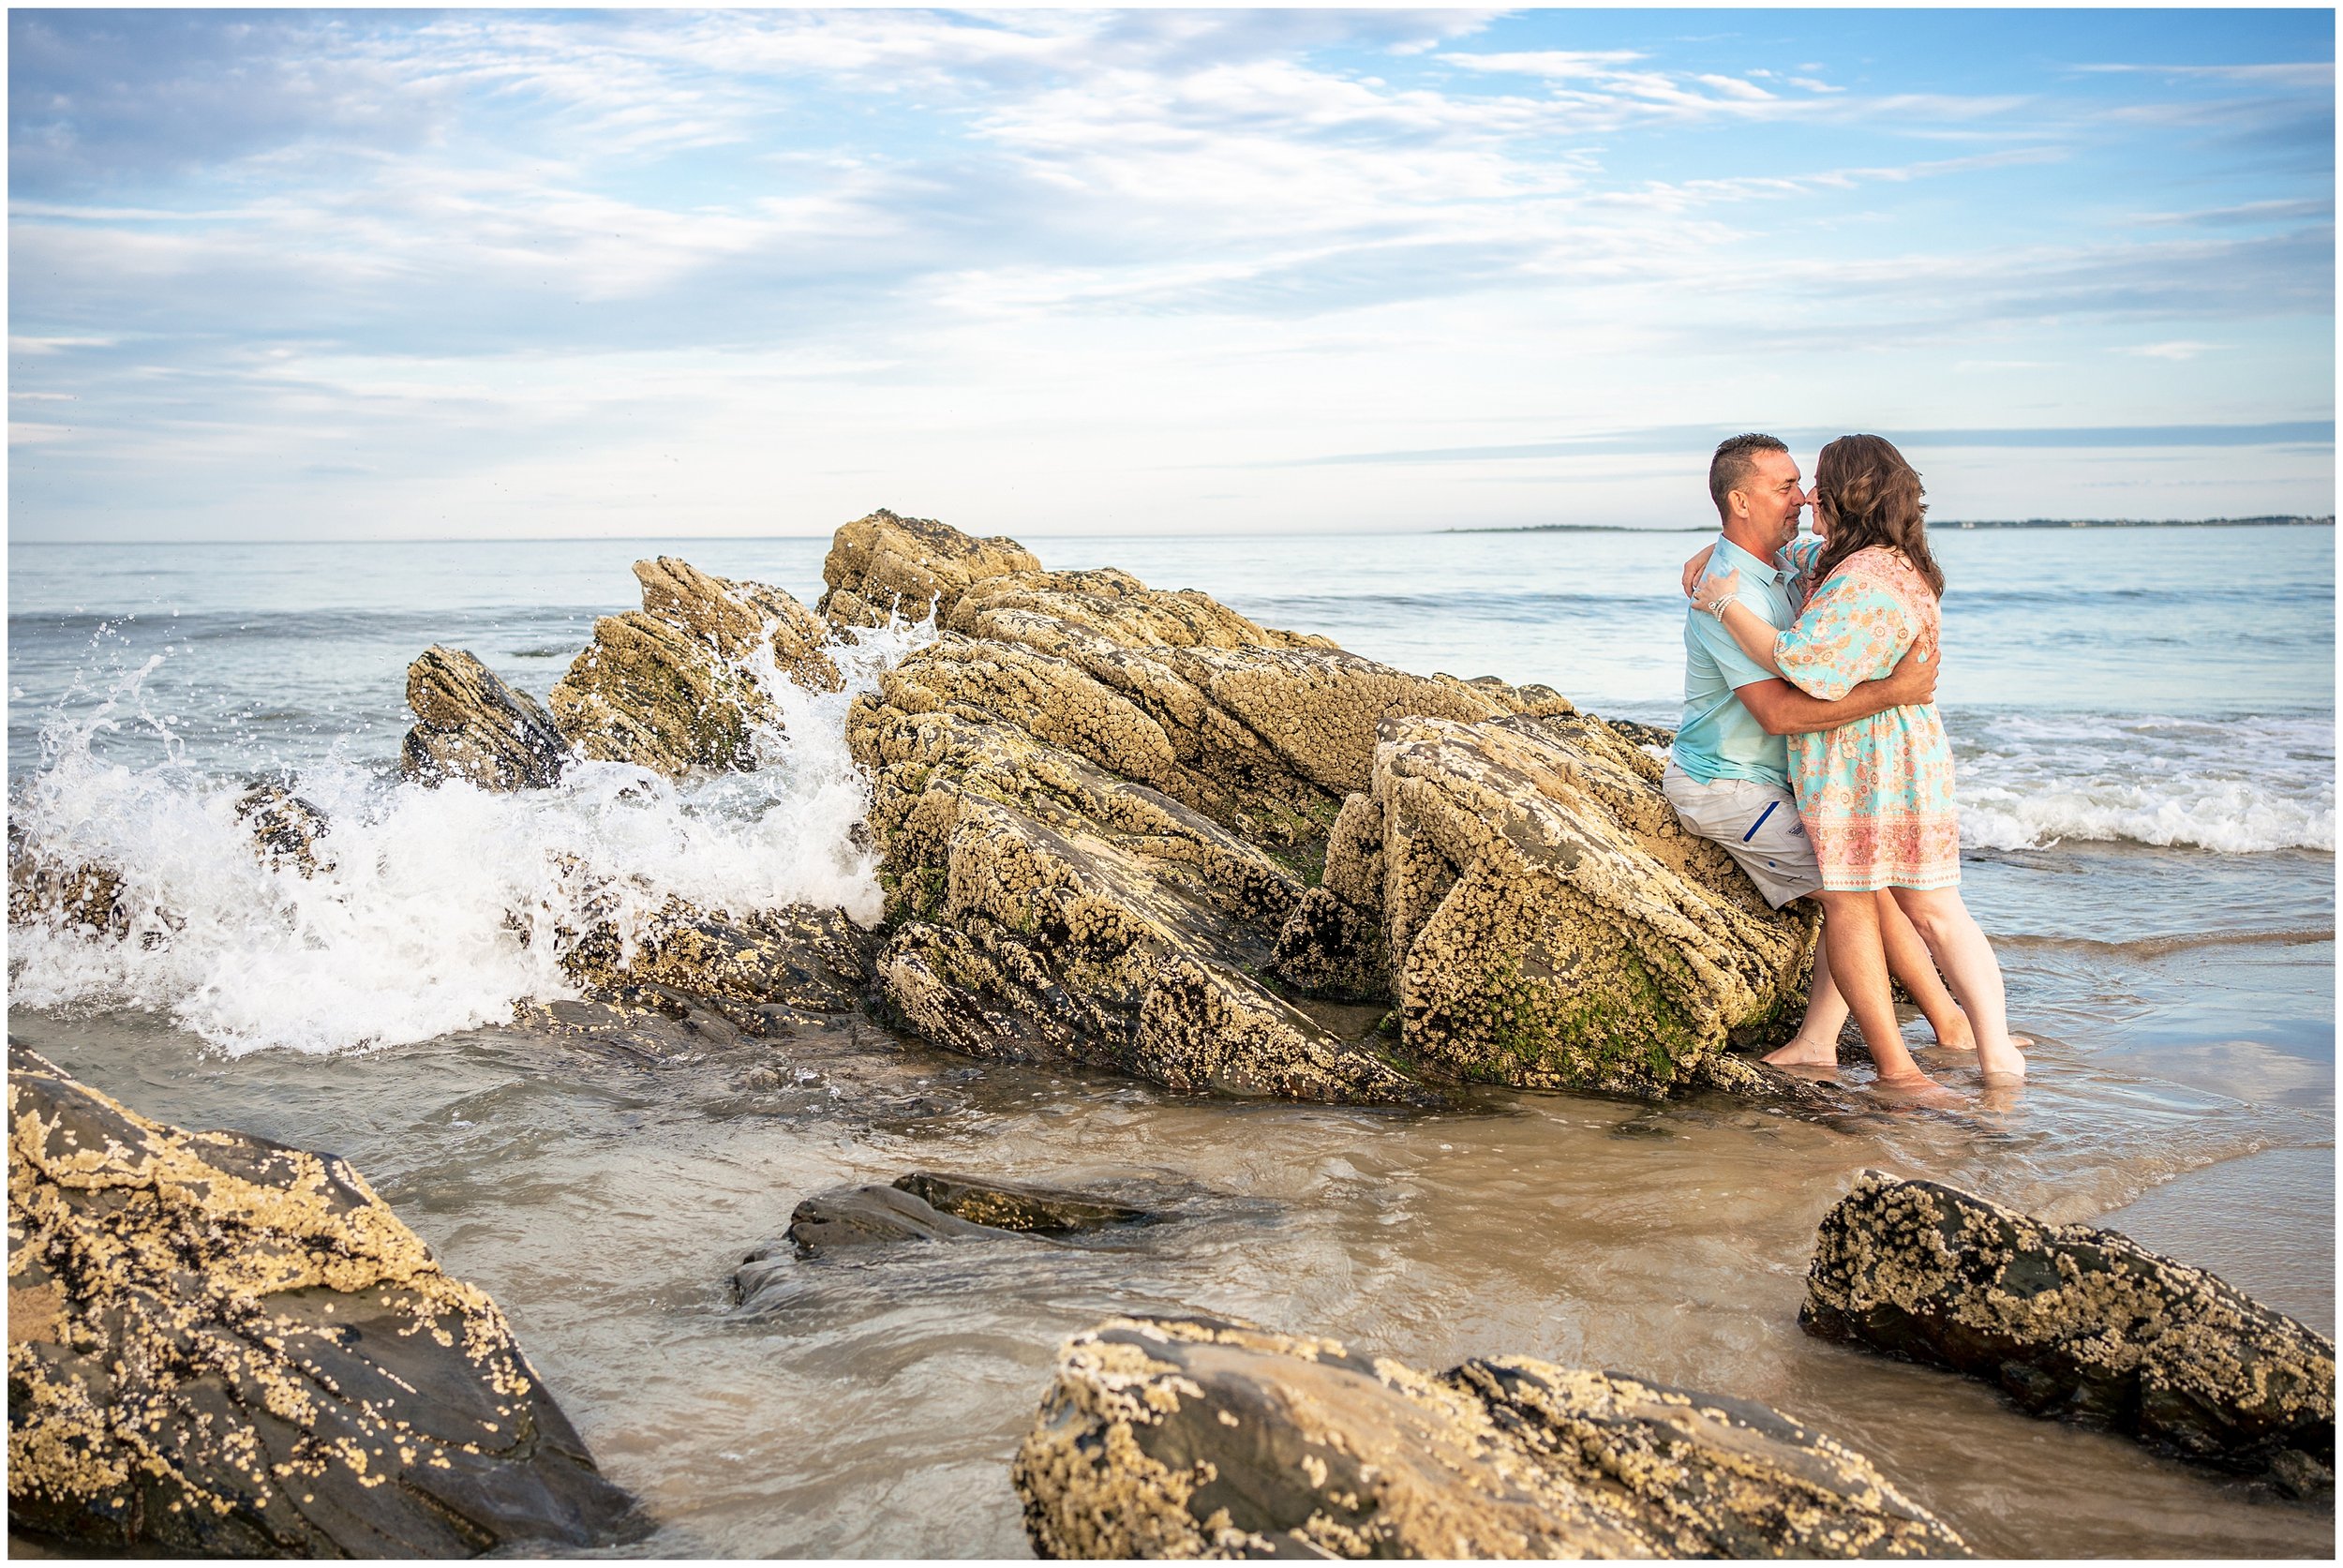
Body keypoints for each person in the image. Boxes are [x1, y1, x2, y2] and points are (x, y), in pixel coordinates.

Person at [1690, 433, 2026, 1085]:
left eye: (1812, 483)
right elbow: (1784, 554)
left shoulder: (1864, 579)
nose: (1806, 495)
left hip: (1876, 771)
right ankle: (1917, 1037)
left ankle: (1966, 1051)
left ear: (1849, 495)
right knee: (1898, 901)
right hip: (1877, 764)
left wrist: (1724, 599)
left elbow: (1802, 663)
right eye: (1790, 485)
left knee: (1922, 907)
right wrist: (1716, 554)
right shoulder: (1863, 560)